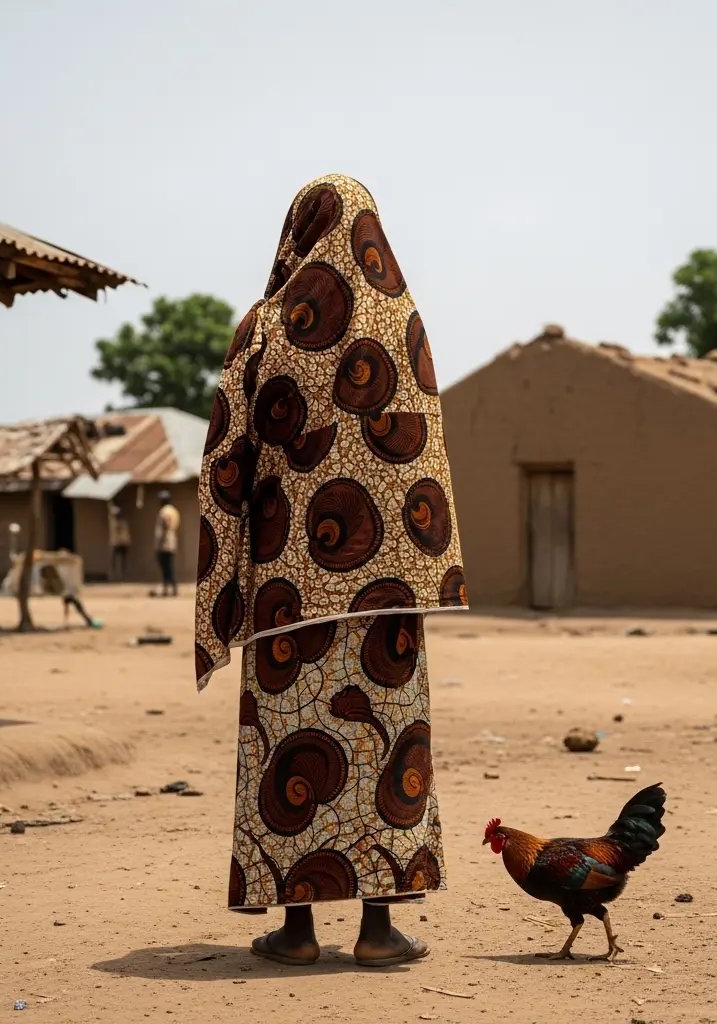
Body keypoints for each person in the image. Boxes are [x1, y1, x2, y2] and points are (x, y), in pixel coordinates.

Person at [194, 175, 469, 968]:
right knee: (387, 749)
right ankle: (381, 933)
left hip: (292, 590)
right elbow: (426, 459)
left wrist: (226, 587)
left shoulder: (265, 331)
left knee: (292, 752)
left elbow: (224, 464)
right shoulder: (405, 323)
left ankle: (298, 932)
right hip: (389, 592)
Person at [154, 491, 180, 596]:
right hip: (172, 540)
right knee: (169, 566)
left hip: (164, 543)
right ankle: (172, 588)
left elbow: (164, 526)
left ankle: (167, 589)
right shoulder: (174, 511)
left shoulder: (164, 511)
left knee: (166, 568)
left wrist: (159, 543)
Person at [108, 504, 131, 581]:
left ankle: (120, 576)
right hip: (121, 543)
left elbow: (120, 533)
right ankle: (118, 575)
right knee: (119, 560)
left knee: (119, 560)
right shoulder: (121, 522)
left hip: (120, 543)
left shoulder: (119, 523)